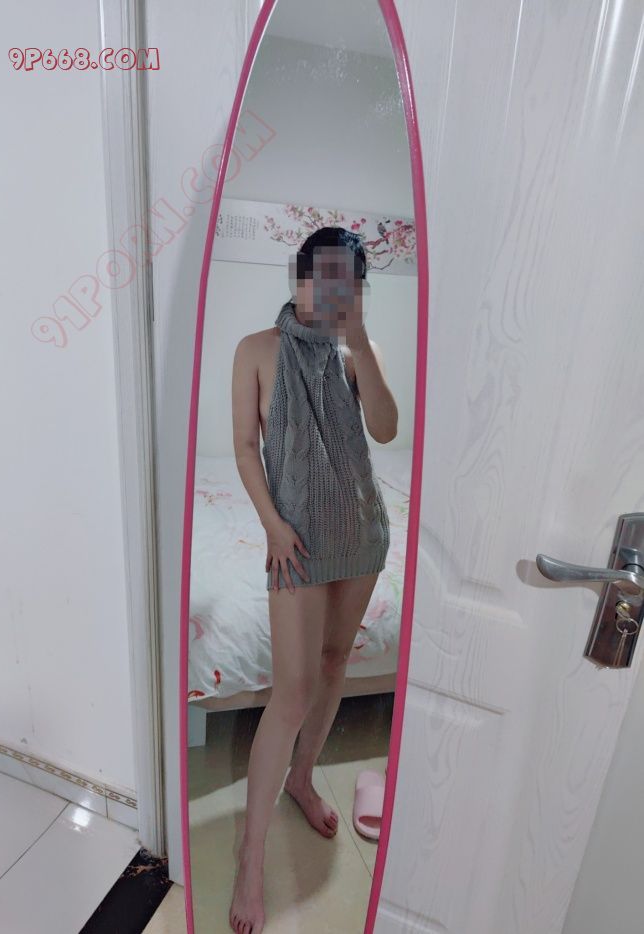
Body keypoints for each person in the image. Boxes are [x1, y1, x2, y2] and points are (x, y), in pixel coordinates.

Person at [229, 226, 398, 933]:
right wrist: (271, 524)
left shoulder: (356, 352)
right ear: (297, 278)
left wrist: (359, 343)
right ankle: (250, 854)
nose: (330, 293)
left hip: (360, 534)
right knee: (292, 690)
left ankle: (302, 779)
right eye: (320, 277)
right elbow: (246, 446)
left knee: (333, 665)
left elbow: (385, 430)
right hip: (295, 539)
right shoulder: (256, 350)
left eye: (346, 282)